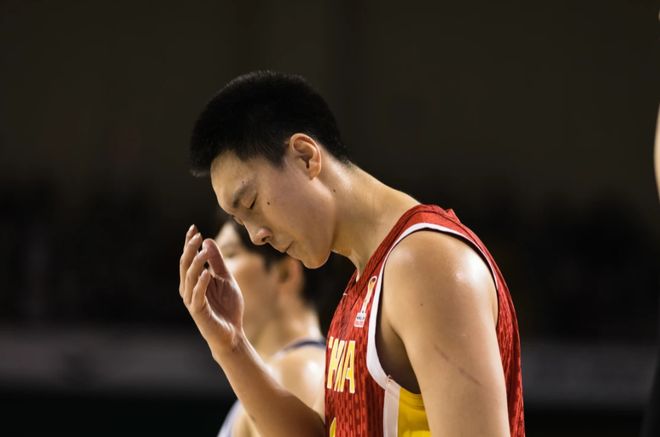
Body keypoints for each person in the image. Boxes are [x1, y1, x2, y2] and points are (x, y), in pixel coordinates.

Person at [179, 71, 524, 436]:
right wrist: (231, 345)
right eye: (241, 221)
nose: (256, 235)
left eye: (251, 203)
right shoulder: (365, 282)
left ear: (305, 156)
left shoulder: (424, 263)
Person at [213, 219, 326, 437]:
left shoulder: (293, 370)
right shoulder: (277, 373)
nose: (210, 271)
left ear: (285, 273)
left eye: (229, 254)